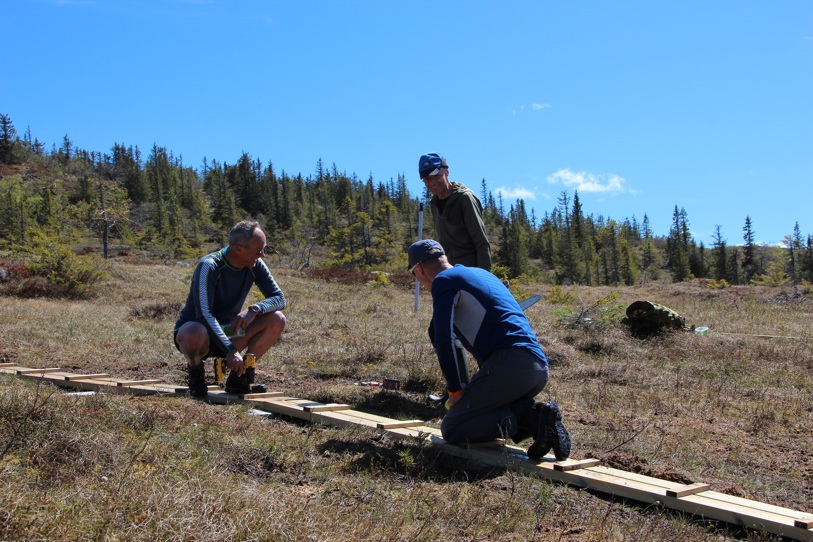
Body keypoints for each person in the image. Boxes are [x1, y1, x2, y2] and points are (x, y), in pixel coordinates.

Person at [408, 239, 570, 460]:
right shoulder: (481, 274)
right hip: (537, 369)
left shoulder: (443, 281)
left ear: (419, 269)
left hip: (510, 366)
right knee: (483, 410)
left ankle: (532, 417)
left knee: (453, 428)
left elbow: (444, 339)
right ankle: (537, 421)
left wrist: (455, 391)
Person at [174, 220, 286, 397]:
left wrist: (255, 309)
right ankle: (196, 374)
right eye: (259, 250)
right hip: (200, 335)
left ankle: (239, 378)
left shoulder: (255, 266)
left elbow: (279, 298)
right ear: (240, 249)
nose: (263, 255)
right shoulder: (209, 266)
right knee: (194, 331)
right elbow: (204, 314)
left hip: (229, 331)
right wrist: (230, 351)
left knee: (277, 319)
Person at [419, 153, 492, 271]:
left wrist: (484, 278)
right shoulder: (434, 203)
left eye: (436, 176)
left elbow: (481, 242)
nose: (432, 183)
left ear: (446, 172)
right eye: (427, 179)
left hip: (471, 271)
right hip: (450, 271)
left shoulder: (465, 198)